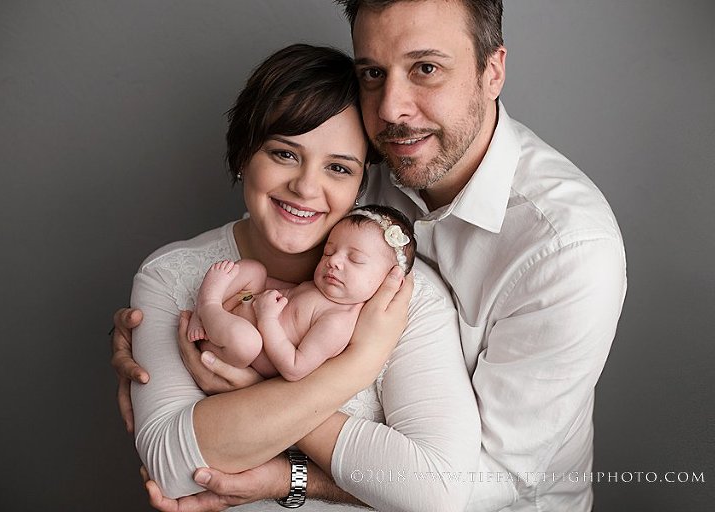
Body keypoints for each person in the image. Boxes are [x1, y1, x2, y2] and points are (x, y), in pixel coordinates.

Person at [114, 1, 627, 510]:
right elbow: (169, 455)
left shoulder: (569, 251)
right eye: (373, 73)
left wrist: (283, 449)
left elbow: (471, 485)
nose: (391, 108)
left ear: (492, 71)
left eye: (426, 69)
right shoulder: (378, 164)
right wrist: (158, 330)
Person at [119, 42, 480, 511]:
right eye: (285, 154)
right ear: (246, 150)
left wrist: (257, 399)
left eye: (337, 167)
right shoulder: (170, 276)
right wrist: (359, 364)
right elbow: (172, 468)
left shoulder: (400, 298)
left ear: (361, 182)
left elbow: (437, 491)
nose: (307, 187)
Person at [187, 205, 416, 385]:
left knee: (247, 341)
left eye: (355, 259)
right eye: (329, 252)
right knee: (255, 269)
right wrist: (255, 286)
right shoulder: (318, 287)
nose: (333, 261)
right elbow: (280, 291)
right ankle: (207, 306)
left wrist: (267, 319)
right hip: (234, 314)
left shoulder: (338, 321)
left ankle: (209, 306)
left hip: (234, 347)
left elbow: (295, 368)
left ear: (389, 279)